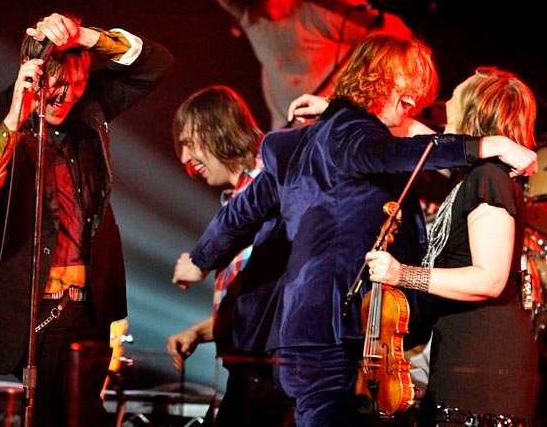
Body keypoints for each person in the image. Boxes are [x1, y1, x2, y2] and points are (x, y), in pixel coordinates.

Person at [171, 33, 537, 427]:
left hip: (300, 329)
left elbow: (241, 212)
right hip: (328, 326)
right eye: (415, 91)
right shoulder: (356, 135)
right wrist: (486, 145)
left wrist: (199, 259)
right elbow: (402, 151)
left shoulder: (304, 141)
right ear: (393, 82)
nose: (420, 104)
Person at [0, 12, 173, 427]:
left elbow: (155, 64)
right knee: (71, 413)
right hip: (36, 307)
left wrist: (84, 35)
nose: (65, 98)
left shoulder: (88, 107)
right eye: (57, 85)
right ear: (31, 72)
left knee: (75, 412)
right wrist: (14, 121)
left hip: (91, 305)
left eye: (77, 84)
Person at [365, 66, 540, 426]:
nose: (444, 108)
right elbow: (413, 131)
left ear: (474, 111)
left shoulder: (488, 177)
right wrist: (333, 110)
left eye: (454, 100)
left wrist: (403, 275)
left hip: (484, 368)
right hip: (464, 357)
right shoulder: (470, 173)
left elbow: (489, 279)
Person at [167, 85, 295, 427]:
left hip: (274, 378)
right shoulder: (238, 198)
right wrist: (201, 331)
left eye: (189, 143)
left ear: (219, 130)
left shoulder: (271, 189)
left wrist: (198, 261)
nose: (184, 160)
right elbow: (257, 304)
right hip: (249, 375)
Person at [213, 0, 413, 130]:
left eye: (266, 9)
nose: (265, 19)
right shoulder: (242, 2)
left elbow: (396, 35)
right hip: (288, 128)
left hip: (334, 133)